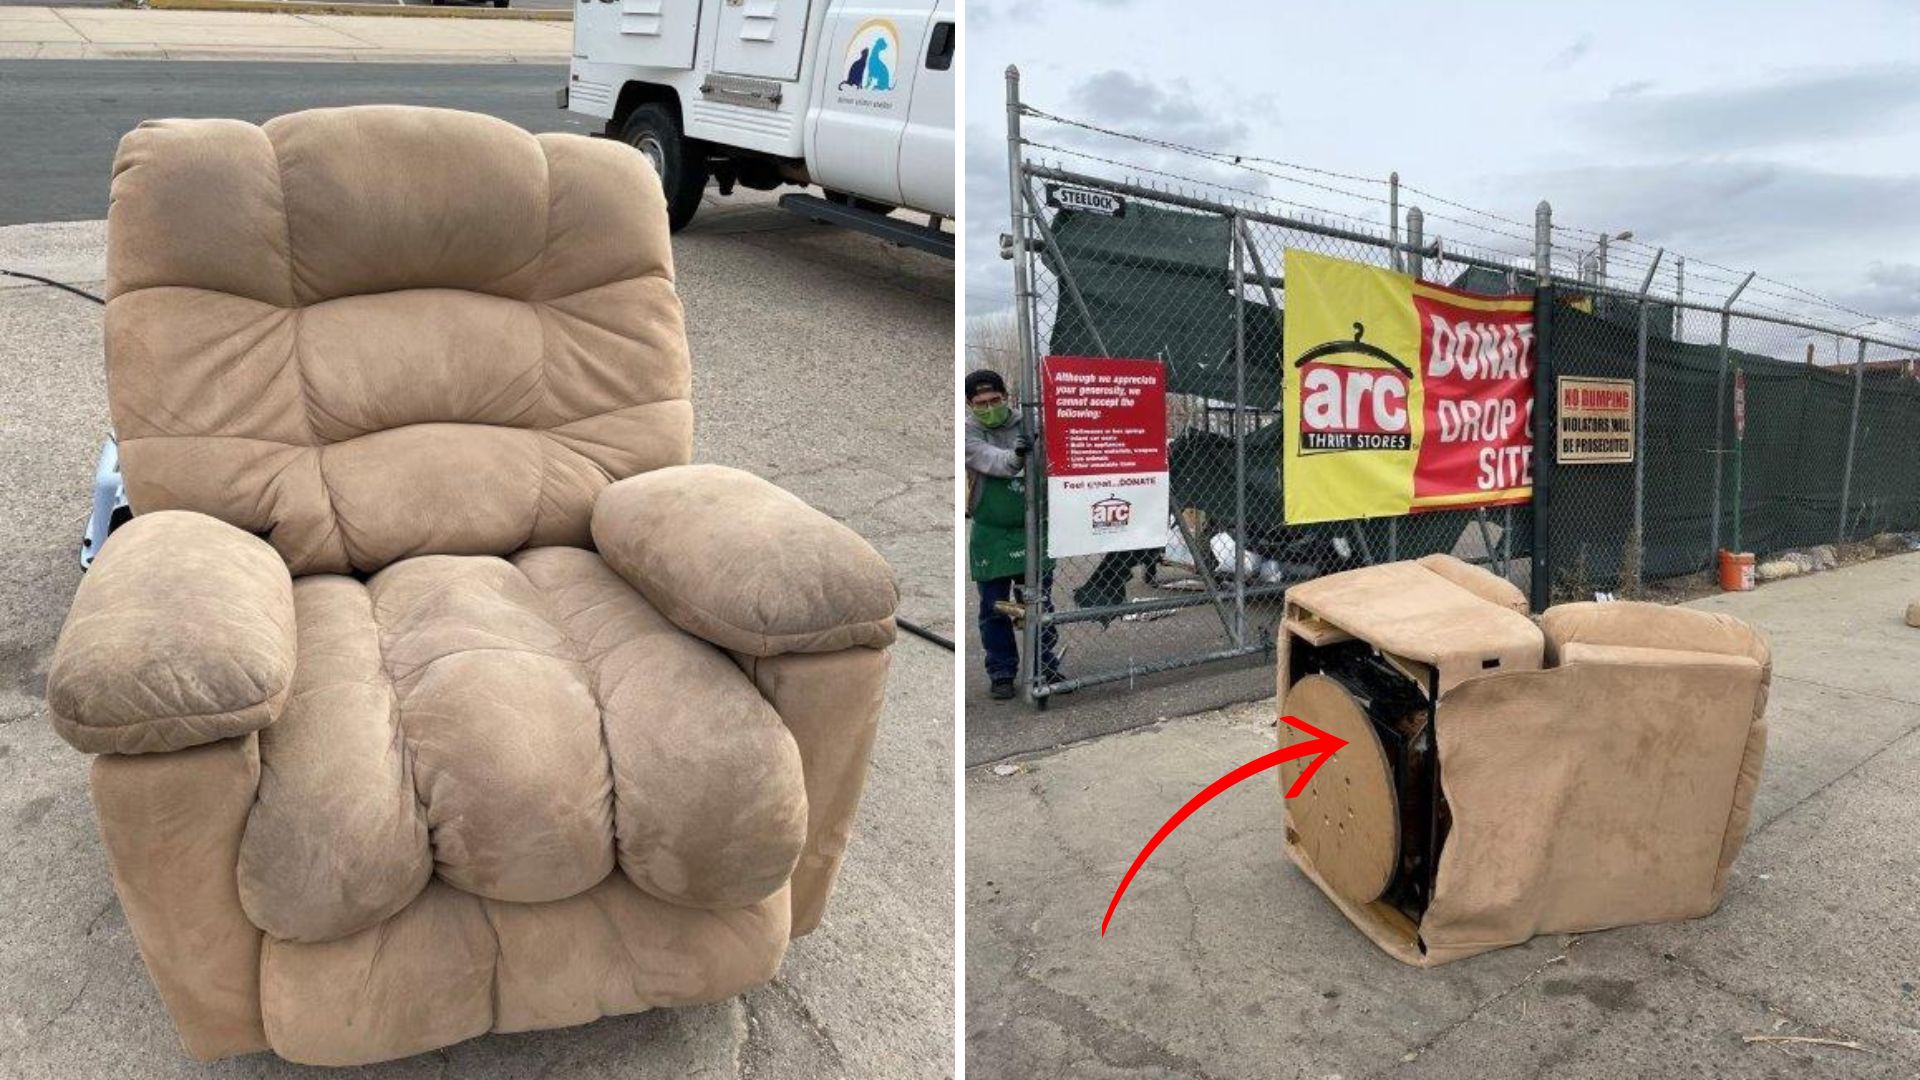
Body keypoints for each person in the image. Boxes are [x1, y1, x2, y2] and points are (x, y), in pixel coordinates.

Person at [965, 369, 1061, 699]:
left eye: (995, 400)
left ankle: (1045, 666)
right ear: (969, 404)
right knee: (995, 607)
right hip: (992, 533)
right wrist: (1017, 455)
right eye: (981, 403)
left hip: (1033, 529)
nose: (989, 407)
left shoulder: (1029, 424)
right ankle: (1002, 670)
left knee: (1039, 603)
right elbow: (993, 461)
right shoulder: (967, 432)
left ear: (1006, 396)